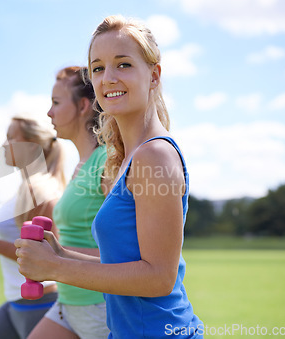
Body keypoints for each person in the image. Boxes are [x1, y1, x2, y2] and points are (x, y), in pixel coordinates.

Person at [15, 15, 204, 338]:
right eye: (98, 68)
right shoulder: (129, 157)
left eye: (124, 64)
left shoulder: (155, 155)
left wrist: (55, 268)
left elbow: (158, 278)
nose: (108, 78)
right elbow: (123, 261)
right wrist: (60, 254)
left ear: (154, 75)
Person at [27, 66, 111, 339]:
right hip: (67, 303)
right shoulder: (81, 166)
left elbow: (127, 256)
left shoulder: (108, 162)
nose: (49, 113)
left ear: (83, 106)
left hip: (99, 308)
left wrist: (55, 255)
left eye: (56, 102)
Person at [0, 112, 66, 339]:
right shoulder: (26, 189)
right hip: (16, 302)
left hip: (41, 304)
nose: (4, 144)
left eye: (11, 138)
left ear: (32, 146)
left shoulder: (38, 190)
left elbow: (48, 255)